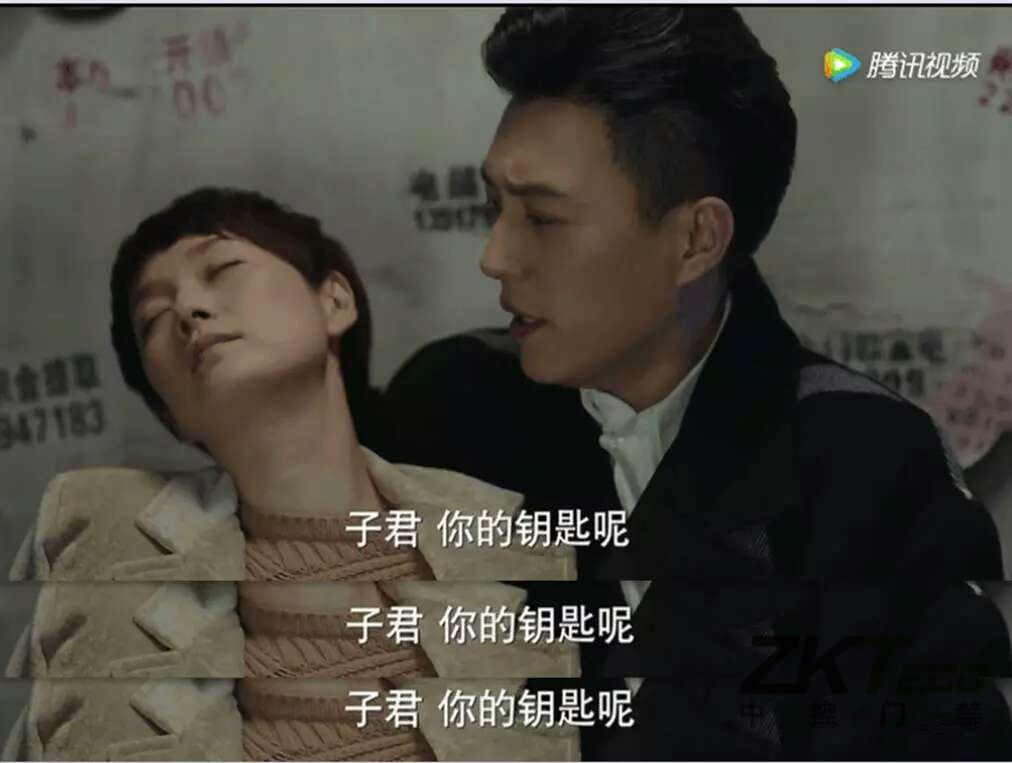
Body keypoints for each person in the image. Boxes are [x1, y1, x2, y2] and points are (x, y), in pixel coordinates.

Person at [380, 7, 1012, 759]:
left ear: (696, 239)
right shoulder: (451, 408)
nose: (494, 256)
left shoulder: (863, 458)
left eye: (543, 219)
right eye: (495, 207)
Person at [3, 187, 580, 761]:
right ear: (169, 414)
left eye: (223, 269)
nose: (188, 310)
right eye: (153, 317)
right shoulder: (112, 563)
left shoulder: (507, 531)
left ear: (335, 301)